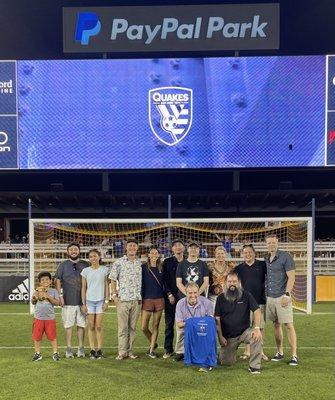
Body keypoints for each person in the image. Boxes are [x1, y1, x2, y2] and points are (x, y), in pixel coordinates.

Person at [215, 272, 263, 374]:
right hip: (229, 337)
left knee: (257, 336)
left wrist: (257, 328)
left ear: (239, 283)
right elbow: (217, 319)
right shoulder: (220, 298)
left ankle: (254, 367)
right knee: (226, 362)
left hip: (244, 332)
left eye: (234, 281)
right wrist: (220, 336)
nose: (232, 284)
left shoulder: (246, 295)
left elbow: (257, 311)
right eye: (230, 281)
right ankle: (222, 354)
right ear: (226, 283)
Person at [265, 234, 298, 366]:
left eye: (273, 242)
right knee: (276, 324)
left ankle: (294, 355)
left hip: (282, 297)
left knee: (289, 325)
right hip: (269, 297)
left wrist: (287, 295)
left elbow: (292, 277)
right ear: (266, 244)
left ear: (277, 243)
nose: (271, 245)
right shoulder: (266, 258)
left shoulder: (286, 256)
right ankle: (280, 352)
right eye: (269, 243)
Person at [109, 237, 142, 360]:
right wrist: (114, 296)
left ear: (137, 248)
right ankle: (122, 352)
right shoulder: (118, 262)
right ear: (126, 248)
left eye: (134, 245)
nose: (132, 247)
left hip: (136, 300)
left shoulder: (140, 263)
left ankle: (130, 351)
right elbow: (112, 279)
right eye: (130, 245)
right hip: (123, 300)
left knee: (132, 328)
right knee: (123, 327)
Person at [55, 242, 89, 358]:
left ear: (79, 251)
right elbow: (58, 280)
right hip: (67, 300)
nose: (73, 251)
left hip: (82, 302)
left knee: (81, 325)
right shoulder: (63, 265)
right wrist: (60, 296)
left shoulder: (85, 264)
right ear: (68, 252)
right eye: (71, 249)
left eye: (75, 249)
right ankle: (69, 348)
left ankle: (80, 348)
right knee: (68, 325)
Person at [235, 244, 268, 361]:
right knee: (247, 327)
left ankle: (261, 351)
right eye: (245, 253)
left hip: (260, 301)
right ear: (242, 254)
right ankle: (247, 351)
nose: (248, 254)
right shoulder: (238, 268)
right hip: (245, 303)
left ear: (254, 253)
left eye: (250, 252)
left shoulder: (262, 265)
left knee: (260, 327)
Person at [175, 282, 214, 369]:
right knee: (180, 330)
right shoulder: (180, 303)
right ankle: (181, 352)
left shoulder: (207, 302)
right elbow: (179, 324)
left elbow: (211, 322)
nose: (193, 295)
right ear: (185, 293)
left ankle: (206, 353)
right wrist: (192, 324)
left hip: (201, 328)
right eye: (190, 293)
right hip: (187, 329)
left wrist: (195, 323)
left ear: (198, 292)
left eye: (195, 292)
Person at [81, 249, 110, 359]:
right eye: (91, 256)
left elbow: (107, 286)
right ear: (89, 259)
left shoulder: (105, 270)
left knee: (98, 326)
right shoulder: (85, 271)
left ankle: (100, 349)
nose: (93, 258)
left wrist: (107, 301)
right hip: (89, 301)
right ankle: (92, 350)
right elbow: (83, 287)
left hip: (100, 301)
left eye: (95, 256)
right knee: (91, 325)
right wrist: (83, 303)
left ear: (99, 257)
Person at [162, 238, 185, 359]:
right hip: (171, 298)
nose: (178, 247)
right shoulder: (167, 262)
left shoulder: (188, 261)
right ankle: (168, 349)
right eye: (175, 246)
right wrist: (169, 294)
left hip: (185, 298)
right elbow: (164, 280)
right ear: (172, 249)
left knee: (185, 325)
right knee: (169, 324)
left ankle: (184, 350)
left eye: (180, 245)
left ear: (183, 248)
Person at [31, 271, 60, 362]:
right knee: (37, 337)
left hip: (50, 318)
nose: (45, 281)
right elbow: (33, 302)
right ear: (40, 282)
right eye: (42, 280)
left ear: (51, 281)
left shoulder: (54, 291)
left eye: (47, 279)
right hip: (38, 318)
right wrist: (35, 297)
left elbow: (57, 303)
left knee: (52, 336)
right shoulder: (36, 291)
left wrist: (48, 296)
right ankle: (37, 353)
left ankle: (55, 353)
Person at [141, 247, 165, 358]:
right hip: (147, 299)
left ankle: (151, 350)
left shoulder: (162, 268)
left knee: (155, 325)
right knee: (144, 327)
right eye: (152, 253)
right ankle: (153, 343)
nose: (154, 254)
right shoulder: (143, 268)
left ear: (159, 255)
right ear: (149, 255)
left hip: (159, 299)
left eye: (156, 253)